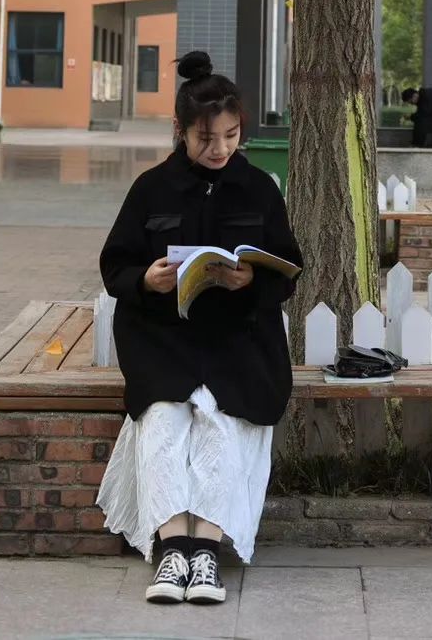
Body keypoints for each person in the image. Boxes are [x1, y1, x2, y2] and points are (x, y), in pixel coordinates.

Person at [97, 50, 302, 605]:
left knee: (221, 423)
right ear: (180, 131)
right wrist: (148, 278)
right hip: (163, 339)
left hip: (239, 341)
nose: (220, 150)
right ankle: (171, 554)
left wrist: (249, 284)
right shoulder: (150, 189)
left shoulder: (259, 188)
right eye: (206, 139)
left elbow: (286, 271)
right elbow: (114, 265)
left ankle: (206, 553)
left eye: (232, 136)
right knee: (163, 422)